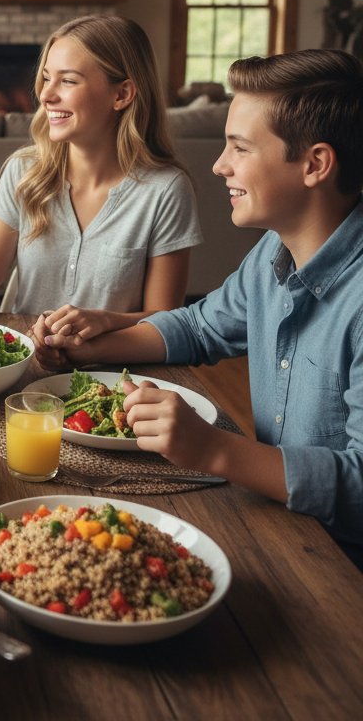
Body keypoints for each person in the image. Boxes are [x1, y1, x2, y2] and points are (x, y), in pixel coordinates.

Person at [33, 49, 363, 557]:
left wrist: (211, 448)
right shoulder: (273, 254)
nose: (219, 165)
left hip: (339, 568)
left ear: (315, 164)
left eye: (240, 148)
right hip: (280, 521)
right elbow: (200, 328)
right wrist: (93, 340)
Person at [0, 15, 201, 323]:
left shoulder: (165, 190)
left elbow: (164, 324)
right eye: (47, 78)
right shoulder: (25, 172)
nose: (46, 95)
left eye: (67, 80)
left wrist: (100, 327)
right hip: (29, 365)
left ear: (121, 95)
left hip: (116, 371)